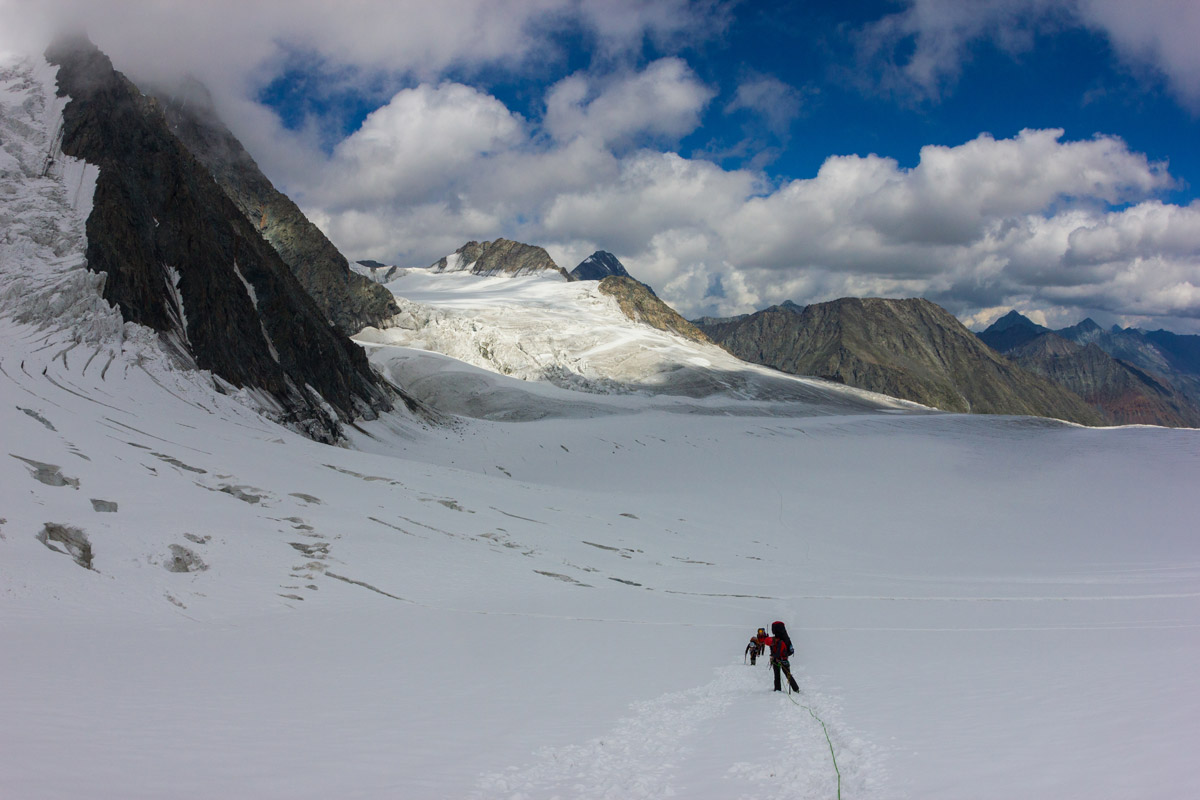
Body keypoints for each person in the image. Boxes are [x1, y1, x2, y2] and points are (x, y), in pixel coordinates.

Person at [763, 620, 800, 692]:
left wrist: (773, 656)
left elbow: (777, 653)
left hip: (780, 660)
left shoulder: (780, 642)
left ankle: (793, 689)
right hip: (781, 660)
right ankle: (785, 689)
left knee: (784, 675)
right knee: (784, 675)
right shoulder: (779, 640)